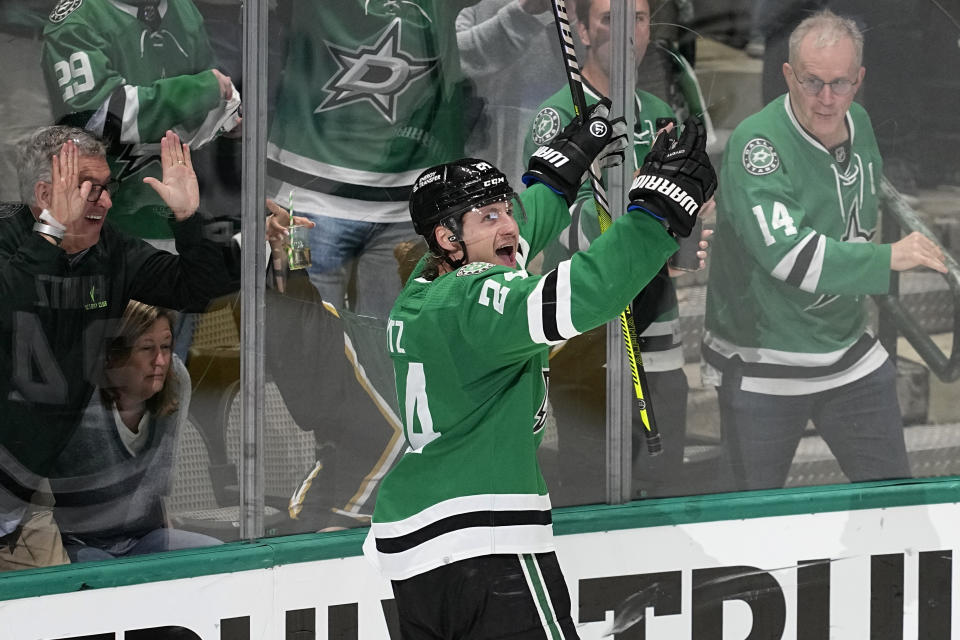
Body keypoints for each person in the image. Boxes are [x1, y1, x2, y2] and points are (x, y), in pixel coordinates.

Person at [364, 101, 716, 636]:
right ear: (447, 238)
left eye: (506, 208)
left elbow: (520, 230)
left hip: (415, 559)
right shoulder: (477, 298)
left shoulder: (426, 285)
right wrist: (656, 215)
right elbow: (584, 294)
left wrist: (560, 168)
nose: (510, 224)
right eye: (491, 216)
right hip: (485, 543)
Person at [700, 9, 947, 491]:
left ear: (860, 79)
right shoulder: (757, 144)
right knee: (750, 532)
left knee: (895, 508)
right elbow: (788, 255)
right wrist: (887, 258)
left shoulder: (860, 121)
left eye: (840, 83)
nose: (827, 98)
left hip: (850, 355)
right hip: (762, 366)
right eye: (812, 82)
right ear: (787, 74)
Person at [0, 125, 230, 570]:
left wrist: (188, 219)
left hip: (23, 499)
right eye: (90, 190)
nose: (106, 203)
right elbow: (8, 306)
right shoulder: (5, 233)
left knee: (63, 620)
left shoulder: (112, 251)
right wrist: (50, 230)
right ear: (45, 193)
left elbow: (202, 292)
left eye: (109, 189)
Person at [523, 0, 711, 501]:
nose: (628, 31)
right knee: (589, 487)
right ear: (581, 31)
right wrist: (652, 226)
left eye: (640, 18)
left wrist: (686, 232)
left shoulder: (657, 114)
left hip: (658, 326)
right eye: (610, 19)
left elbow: (682, 220)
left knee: (663, 482)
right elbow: (558, 227)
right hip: (588, 335)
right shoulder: (557, 115)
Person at [265, 0, 553, 318]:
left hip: (408, 209)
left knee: (393, 345)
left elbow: (475, 51)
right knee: (306, 338)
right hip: (309, 200)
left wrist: (528, 12)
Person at [40, 0, 241, 241]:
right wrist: (198, 92)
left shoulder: (181, 7)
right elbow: (98, 119)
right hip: (106, 223)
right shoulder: (76, 22)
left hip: (180, 216)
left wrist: (225, 119)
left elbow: (216, 95)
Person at [49, 301, 221, 561]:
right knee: (108, 582)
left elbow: (158, 484)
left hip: (144, 537)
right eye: (146, 348)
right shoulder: (79, 396)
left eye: (166, 346)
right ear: (114, 355)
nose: (160, 361)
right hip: (78, 542)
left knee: (221, 558)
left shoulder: (177, 382)